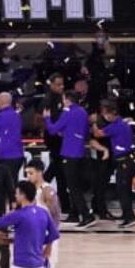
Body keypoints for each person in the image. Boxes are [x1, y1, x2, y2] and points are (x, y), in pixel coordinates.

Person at [25, 159, 69, 268]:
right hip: (37, 241)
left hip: (47, 242)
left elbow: (56, 220)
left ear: (40, 172)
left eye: (31, 173)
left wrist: (49, 244)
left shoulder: (48, 192)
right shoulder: (32, 192)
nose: (28, 177)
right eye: (27, 173)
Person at [45, 90, 95, 228]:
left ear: (67, 99)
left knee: (73, 186)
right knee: (75, 184)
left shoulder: (67, 112)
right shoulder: (83, 112)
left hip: (69, 153)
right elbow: (84, 132)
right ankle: (74, 213)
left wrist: (47, 118)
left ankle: (86, 215)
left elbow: (53, 130)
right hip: (80, 152)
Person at [91, 99, 135, 226]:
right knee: (124, 189)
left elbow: (97, 134)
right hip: (128, 160)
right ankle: (128, 214)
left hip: (124, 160)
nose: (105, 117)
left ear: (113, 113)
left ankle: (130, 217)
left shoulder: (116, 126)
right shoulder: (122, 122)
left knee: (123, 190)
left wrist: (94, 122)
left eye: (106, 114)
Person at [42, 72, 69, 211]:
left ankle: (64, 204)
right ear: (51, 84)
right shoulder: (48, 99)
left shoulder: (61, 97)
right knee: (58, 171)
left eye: (62, 84)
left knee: (60, 172)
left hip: (60, 140)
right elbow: (47, 119)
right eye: (58, 84)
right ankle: (39, 186)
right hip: (54, 139)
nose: (61, 86)